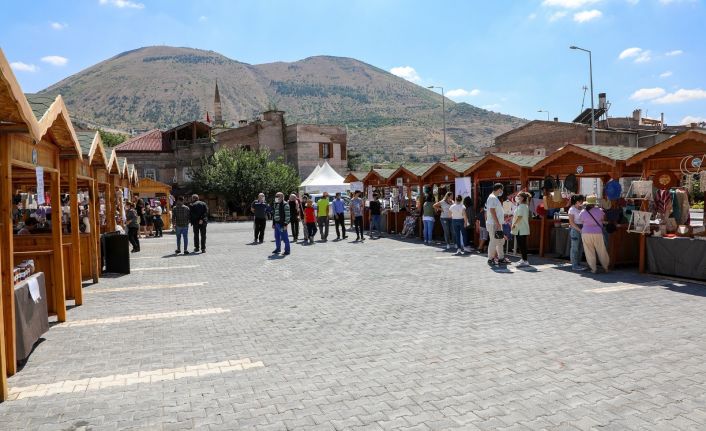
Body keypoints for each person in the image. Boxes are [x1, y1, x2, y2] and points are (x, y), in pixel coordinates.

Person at [579, 195, 610, 273]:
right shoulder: (600, 210)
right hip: (597, 232)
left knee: (589, 251)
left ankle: (593, 268)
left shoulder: (583, 212)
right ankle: (606, 267)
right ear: (594, 203)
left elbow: (581, 221)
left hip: (586, 232)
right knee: (601, 250)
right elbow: (602, 219)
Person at [486, 183, 510, 266]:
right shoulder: (492, 198)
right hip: (494, 224)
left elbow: (495, 211)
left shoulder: (494, 197)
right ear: (499, 189)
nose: (502, 191)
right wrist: (497, 223)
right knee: (493, 241)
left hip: (497, 223)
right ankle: (490, 259)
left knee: (500, 241)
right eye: (501, 190)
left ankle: (501, 258)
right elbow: (492, 211)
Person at [511, 192, 531, 267]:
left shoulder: (522, 206)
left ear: (522, 198)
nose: (517, 197)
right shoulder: (523, 206)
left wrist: (514, 225)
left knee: (522, 245)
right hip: (521, 229)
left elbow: (519, 217)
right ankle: (523, 259)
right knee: (521, 245)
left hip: (521, 229)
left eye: (518, 196)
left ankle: (525, 260)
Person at [568, 195, 587, 271]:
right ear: (576, 201)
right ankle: (574, 265)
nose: (582, 202)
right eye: (581, 200)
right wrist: (580, 230)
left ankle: (578, 263)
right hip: (575, 229)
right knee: (575, 247)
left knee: (580, 247)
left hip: (582, 227)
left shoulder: (582, 208)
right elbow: (571, 223)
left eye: (582, 200)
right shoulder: (572, 209)